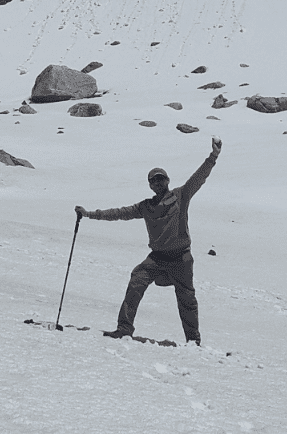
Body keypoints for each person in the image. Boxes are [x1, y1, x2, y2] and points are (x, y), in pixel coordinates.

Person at [75, 137, 221, 346]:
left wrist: (213, 156)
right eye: (154, 180)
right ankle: (124, 329)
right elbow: (119, 213)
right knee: (137, 280)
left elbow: (199, 178)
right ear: (150, 185)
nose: (158, 182)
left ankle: (193, 341)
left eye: (160, 179)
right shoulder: (146, 206)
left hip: (181, 258)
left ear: (167, 180)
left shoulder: (181, 196)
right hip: (158, 258)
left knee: (186, 299)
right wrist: (89, 214)